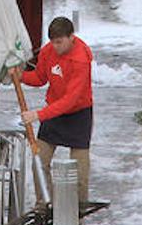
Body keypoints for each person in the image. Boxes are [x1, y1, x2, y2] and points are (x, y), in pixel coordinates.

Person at [21, 16, 94, 207]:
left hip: (79, 114)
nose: (56, 47)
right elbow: (40, 77)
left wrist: (38, 114)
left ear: (72, 37)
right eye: (53, 42)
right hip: (54, 112)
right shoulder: (48, 51)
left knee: (79, 171)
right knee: (40, 162)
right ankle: (44, 205)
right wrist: (20, 75)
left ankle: (78, 211)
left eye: (60, 42)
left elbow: (70, 100)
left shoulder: (80, 59)